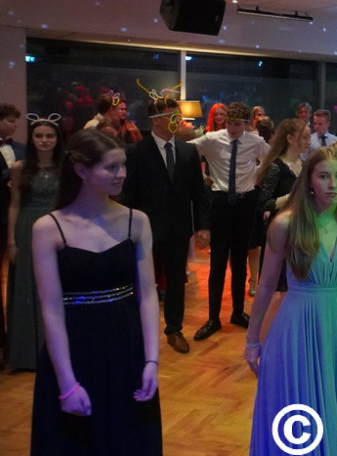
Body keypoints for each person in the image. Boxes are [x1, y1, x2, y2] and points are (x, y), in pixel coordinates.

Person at [31, 129, 161, 454]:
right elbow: (51, 309)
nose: (122, 174)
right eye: (112, 167)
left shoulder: (136, 221)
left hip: (126, 346)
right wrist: (66, 383)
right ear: (81, 170)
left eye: (123, 165)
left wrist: (151, 360)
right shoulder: (48, 228)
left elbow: (147, 295)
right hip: (75, 348)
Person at [245, 146, 337, 455]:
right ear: (309, 179)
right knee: (299, 413)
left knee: (332, 409)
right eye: (323, 176)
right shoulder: (287, 224)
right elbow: (266, 286)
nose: (333, 184)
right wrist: (252, 341)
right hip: (296, 330)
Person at [120, 99, 210, 355]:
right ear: (156, 120)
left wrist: (203, 226)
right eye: (171, 116)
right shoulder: (136, 152)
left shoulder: (188, 151)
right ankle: (139, 331)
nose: (176, 120)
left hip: (178, 228)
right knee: (142, 281)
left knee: (176, 282)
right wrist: (127, 228)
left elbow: (198, 193)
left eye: (177, 116)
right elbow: (129, 194)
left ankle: (174, 329)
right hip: (146, 229)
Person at [189, 101, 270, 341]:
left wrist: (257, 179)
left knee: (239, 260)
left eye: (238, 124)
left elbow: (272, 159)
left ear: (246, 123)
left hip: (245, 203)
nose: (233, 129)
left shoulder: (255, 142)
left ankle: (237, 312)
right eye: (230, 123)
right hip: (221, 202)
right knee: (217, 262)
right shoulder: (212, 139)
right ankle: (213, 318)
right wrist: (202, 177)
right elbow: (185, 152)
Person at [5, 114, 63, 370]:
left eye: (49, 136)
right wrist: (11, 241)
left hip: (57, 228)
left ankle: (55, 351)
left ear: (57, 139)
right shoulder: (20, 168)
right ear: (31, 139)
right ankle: (27, 354)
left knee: (55, 287)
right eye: (39, 136)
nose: (44, 140)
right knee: (28, 287)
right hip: (28, 229)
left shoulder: (66, 167)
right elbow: (14, 206)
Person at [254, 119, 309, 295]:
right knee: (278, 285)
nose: (309, 142)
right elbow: (263, 203)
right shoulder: (275, 167)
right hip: (281, 231)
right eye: (304, 137)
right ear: (290, 139)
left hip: (301, 229)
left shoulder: (305, 165)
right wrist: (291, 197)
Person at [0, 102, 25, 364]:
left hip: (18, 219)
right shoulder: (19, 156)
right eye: (10, 120)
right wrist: (14, 171)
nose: (14, 125)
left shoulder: (20, 148)